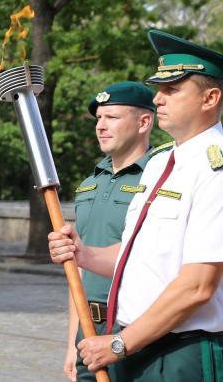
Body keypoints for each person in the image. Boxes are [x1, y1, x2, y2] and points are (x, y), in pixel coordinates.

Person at [48, 30, 223, 381]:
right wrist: (83, 253)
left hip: (183, 354)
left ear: (210, 98)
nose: (158, 99)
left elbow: (198, 286)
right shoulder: (162, 162)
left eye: (172, 89)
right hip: (136, 348)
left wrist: (118, 344)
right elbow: (139, 254)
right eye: (159, 89)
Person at [65, 81, 159, 381]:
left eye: (112, 118)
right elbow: (76, 270)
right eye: (99, 119)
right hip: (88, 327)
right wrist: (72, 342)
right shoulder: (91, 182)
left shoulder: (160, 178)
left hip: (134, 328)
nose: (101, 126)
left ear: (144, 122)